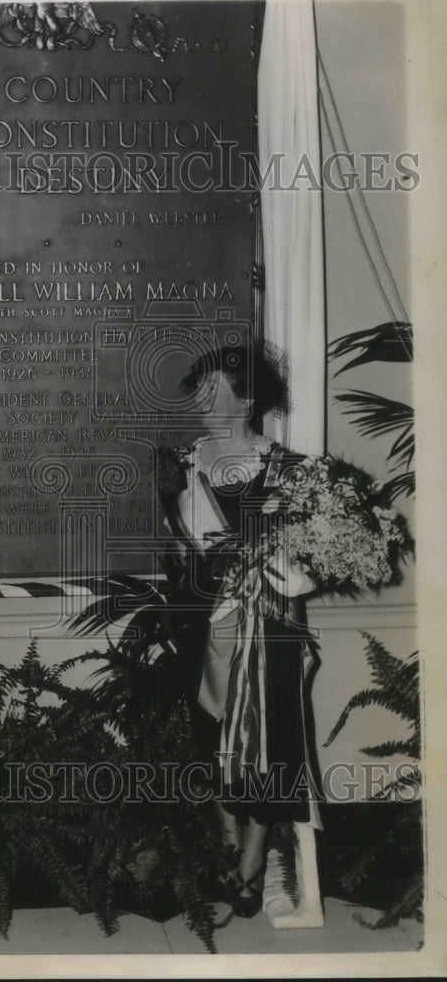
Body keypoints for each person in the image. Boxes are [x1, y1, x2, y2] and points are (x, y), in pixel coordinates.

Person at [158, 342, 321, 919]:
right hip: (201, 626)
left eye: (213, 390)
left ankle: (253, 857)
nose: (200, 401)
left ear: (247, 399)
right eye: (197, 389)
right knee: (209, 736)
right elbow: (179, 553)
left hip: (266, 627)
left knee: (264, 742)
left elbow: (306, 567)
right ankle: (225, 843)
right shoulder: (179, 463)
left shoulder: (289, 472)